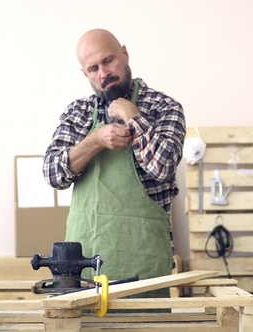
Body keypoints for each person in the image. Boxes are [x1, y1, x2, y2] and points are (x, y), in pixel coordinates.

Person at [43, 29, 186, 299]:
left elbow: (164, 166)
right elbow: (53, 174)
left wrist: (132, 115)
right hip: (82, 273)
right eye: (93, 68)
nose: (103, 73)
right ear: (85, 74)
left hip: (145, 271)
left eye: (108, 61)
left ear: (124, 53)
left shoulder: (164, 107)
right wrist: (95, 140)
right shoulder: (78, 113)